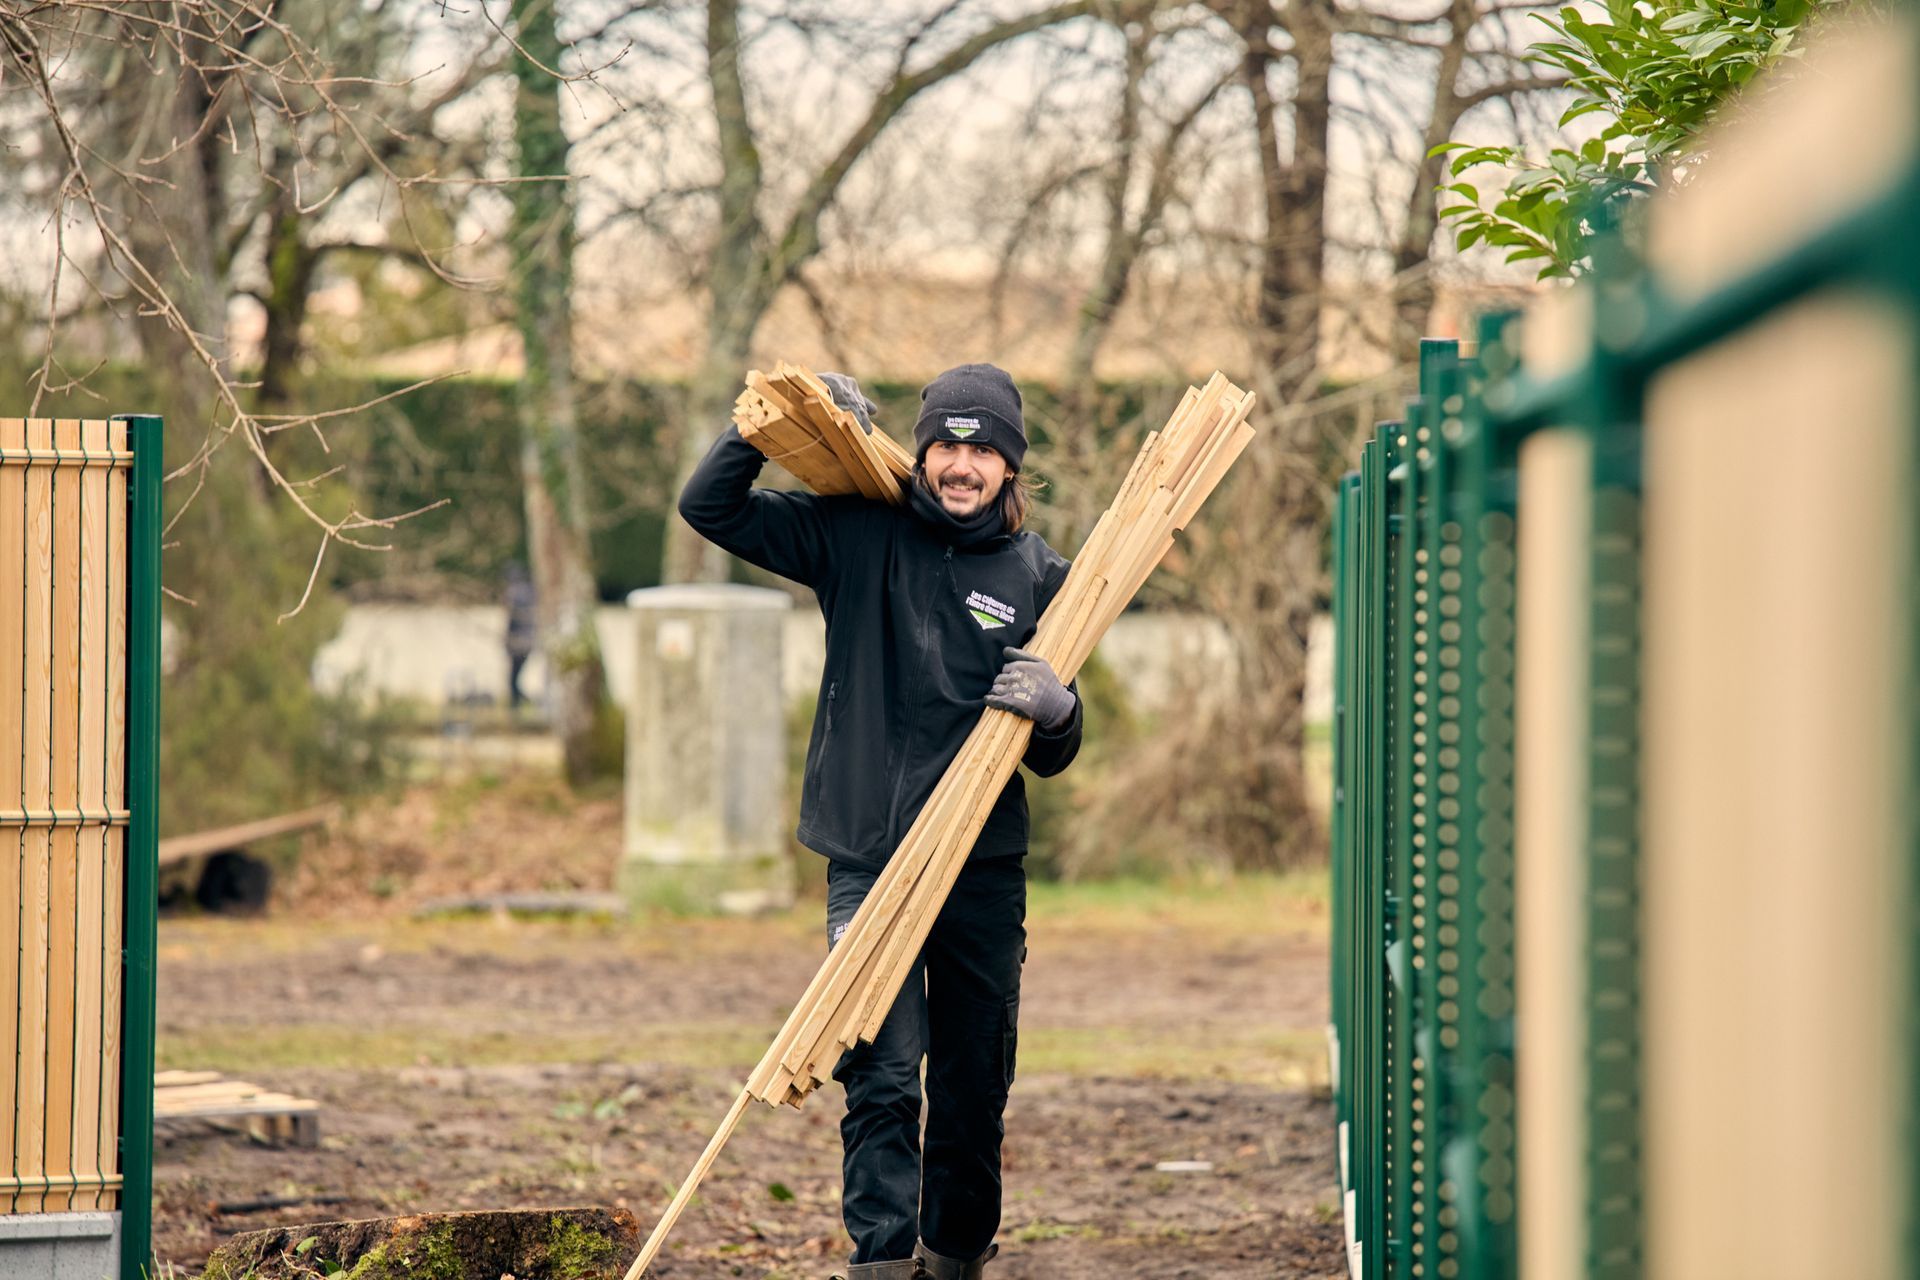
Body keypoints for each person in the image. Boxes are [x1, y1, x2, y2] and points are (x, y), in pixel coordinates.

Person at [678, 363, 1083, 1280]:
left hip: (981, 868)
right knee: (883, 1076)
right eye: (947, 444)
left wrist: (1058, 712)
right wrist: (761, 425)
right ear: (923, 451)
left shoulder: (1042, 577)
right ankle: (881, 1264)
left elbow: (1054, 755)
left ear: (1010, 467)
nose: (962, 464)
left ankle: (955, 1260)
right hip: (868, 855)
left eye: (983, 450)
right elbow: (712, 510)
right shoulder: (855, 535)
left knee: (975, 1090)